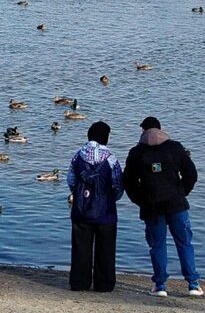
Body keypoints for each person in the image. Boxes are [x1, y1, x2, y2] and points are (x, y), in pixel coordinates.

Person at [123, 116, 201, 298]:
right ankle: (193, 284)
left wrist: (140, 200)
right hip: (177, 204)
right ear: (161, 129)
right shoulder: (175, 148)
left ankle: (160, 285)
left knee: (157, 246)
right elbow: (191, 174)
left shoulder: (136, 152)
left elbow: (128, 182)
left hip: (151, 207)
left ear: (142, 131)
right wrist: (182, 193)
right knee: (184, 243)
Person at [67, 120, 124, 292]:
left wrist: (79, 196)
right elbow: (118, 185)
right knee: (106, 249)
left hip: (81, 209)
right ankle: (104, 284)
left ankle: (79, 282)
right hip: (106, 210)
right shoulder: (111, 158)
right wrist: (112, 199)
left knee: (80, 248)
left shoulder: (78, 155)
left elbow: (71, 180)